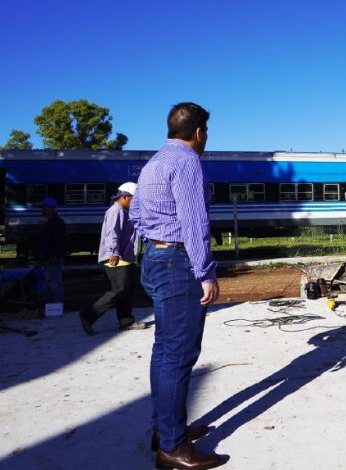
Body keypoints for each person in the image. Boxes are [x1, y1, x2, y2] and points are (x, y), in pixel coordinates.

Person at [129, 102, 224, 470]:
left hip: (155, 258)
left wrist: (154, 240)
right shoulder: (187, 163)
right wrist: (205, 272)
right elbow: (194, 222)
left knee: (164, 351)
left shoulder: (155, 162)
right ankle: (172, 447)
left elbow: (135, 212)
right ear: (199, 132)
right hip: (179, 264)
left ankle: (165, 428)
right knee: (179, 355)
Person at [79, 182, 147, 336]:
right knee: (119, 289)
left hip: (126, 257)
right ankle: (89, 315)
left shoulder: (125, 211)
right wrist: (114, 252)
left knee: (127, 291)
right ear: (125, 197)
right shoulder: (115, 211)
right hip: (116, 257)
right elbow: (112, 234)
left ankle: (126, 322)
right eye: (134, 199)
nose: (136, 203)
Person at [39, 198, 67, 304]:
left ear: (50, 209)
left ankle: (57, 305)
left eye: (43, 208)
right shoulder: (53, 222)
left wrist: (53, 255)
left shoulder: (55, 223)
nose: (42, 211)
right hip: (51, 256)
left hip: (53, 258)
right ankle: (55, 305)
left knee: (54, 282)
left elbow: (58, 240)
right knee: (52, 282)